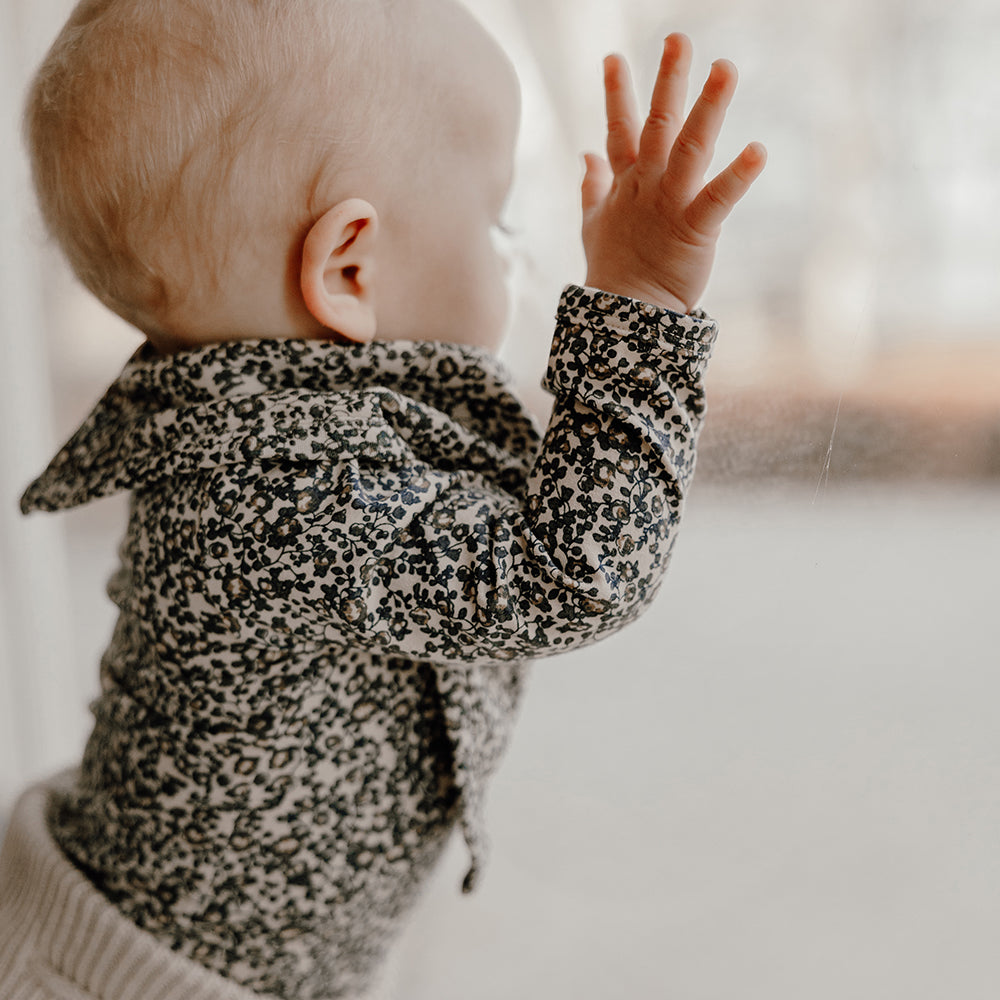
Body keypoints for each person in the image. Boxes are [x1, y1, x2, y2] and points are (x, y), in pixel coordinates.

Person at [0, 0, 766, 997]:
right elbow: (566, 569)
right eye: (494, 219)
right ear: (348, 267)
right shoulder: (285, 490)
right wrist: (643, 305)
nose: (515, 254)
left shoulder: (249, 423)